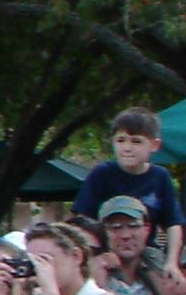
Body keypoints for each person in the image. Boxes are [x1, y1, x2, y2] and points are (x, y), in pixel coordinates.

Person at [70, 106, 185, 275]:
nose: (127, 148)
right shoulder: (102, 173)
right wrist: (96, 253)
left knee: (167, 284)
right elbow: (81, 220)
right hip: (104, 249)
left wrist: (171, 262)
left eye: (136, 141)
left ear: (155, 145)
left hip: (145, 250)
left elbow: (173, 224)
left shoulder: (160, 176)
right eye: (121, 140)